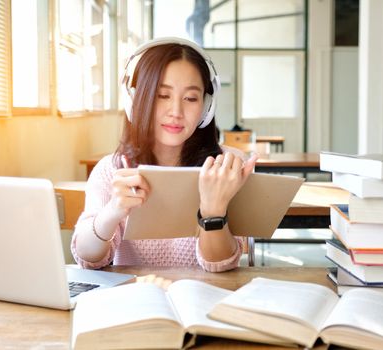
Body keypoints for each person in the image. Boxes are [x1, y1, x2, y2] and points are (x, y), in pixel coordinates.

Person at [71, 37, 259, 272]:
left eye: (190, 98)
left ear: (206, 106)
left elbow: (220, 264)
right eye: (162, 96)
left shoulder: (226, 168)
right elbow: (87, 257)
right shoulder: (110, 169)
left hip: (205, 301)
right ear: (135, 100)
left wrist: (213, 210)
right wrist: (113, 210)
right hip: (135, 302)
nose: (176, 112)